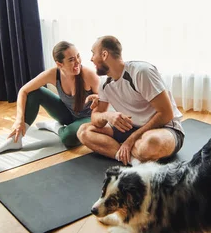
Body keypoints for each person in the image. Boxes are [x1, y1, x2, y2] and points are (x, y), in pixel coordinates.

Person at [77, 36, 184, 165]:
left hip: (164, 129)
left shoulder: (142, 72)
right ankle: (133, 160)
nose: (91, 59)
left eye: (93, 53)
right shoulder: (104, 84)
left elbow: (167, 114)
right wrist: (107, 116)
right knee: (83, 131)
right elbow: (96, 118)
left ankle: (125, 150)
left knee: (150, 144)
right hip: (130, 128)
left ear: (104, 54)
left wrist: (130, 140)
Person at [0, 41, 100, 154]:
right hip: (68, 114)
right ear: (59, 64)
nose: (77, 62)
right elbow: (23, 90)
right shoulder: (53, 74)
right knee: (35, 92)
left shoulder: (89, 75)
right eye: (71, 60)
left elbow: (103, 104)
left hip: (87, 118)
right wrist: (19, 120)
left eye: (78, 56)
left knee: (68, 138)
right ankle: (15, 140)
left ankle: (56, 127)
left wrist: (97, 99)